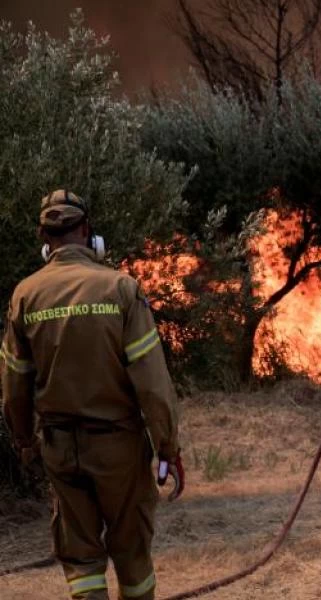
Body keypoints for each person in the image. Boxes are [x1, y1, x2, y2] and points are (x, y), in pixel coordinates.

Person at [1, 190, 183, 600]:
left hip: (59, 447)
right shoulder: (120, 289)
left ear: (44, 238)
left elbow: (14, 384)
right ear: (87, 233)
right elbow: (152, 384)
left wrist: (24, 439)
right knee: (132, 554)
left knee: (81, 561)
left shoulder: (25, 295)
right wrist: (168, 446)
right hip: (118, 447)